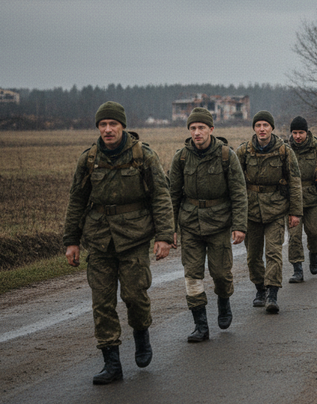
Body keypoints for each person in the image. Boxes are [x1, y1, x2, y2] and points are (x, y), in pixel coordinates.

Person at [63, 101, 174, 385]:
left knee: (135, 296)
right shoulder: (88, 159)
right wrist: (71, 241)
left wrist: (164, 236)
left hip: (134, 238)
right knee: (102, 302)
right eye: (103, 125)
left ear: (123, 125)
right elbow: (77, 200)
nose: (108, 129)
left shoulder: (143, 156)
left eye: (113, 124)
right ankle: (111, 362)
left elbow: (161, 197)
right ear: (98, 128)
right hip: (99, 239)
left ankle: (141, 334)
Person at [169, 108, 248, 343]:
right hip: (190, 224)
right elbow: (172, 196)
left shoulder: (226, 156)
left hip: (219, 223)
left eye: (201, 128)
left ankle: (224, 302)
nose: (196, 133)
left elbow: (239, 193)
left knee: (221, 274)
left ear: (211, 129)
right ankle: (200, 326)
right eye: (192, 128)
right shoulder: (181, 157)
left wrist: (239, 225)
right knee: (192, 276)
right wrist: (170, 229)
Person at [236, 111, 303, 313]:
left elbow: (295, 183)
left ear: (272, 128)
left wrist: (295, 212)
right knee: (253, 256)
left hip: (275, 209)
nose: (262, 129)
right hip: (251, 211)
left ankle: (273, 293)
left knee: (273, 253)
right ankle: (260, 289)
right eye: (258, 125)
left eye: (266, 125)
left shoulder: (284, 151)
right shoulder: (243, 152)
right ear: (254, 128)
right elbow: (235, 184)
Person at [286, 116, 317, 282]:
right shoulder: (285, 149)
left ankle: (313, 253)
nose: (298, 136)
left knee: (314, 232)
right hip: (293, 199)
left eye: (301, 132)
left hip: (313, 198)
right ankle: (297, 268)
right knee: (294, 236)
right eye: (295, 133)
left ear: (306, 132)